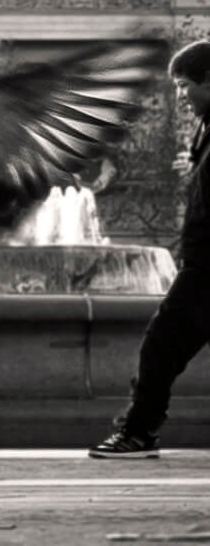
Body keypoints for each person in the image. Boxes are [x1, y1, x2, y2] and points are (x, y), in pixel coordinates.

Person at [89, 39, 210, 459]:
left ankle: (139, 433)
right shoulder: (205, 127)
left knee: (160, 345)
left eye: (184, 85)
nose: (180, 96)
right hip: (199, 262)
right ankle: (139, 431)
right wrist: (194, 169)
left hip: (206, 269)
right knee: (163, 346)